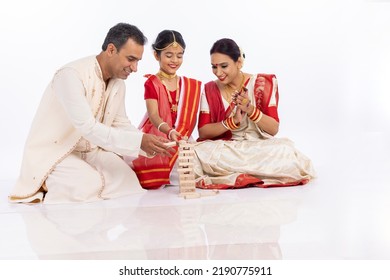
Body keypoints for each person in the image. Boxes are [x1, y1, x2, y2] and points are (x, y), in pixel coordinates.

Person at [9, 23, 173, 204]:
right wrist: (139, 142)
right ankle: (45, 180)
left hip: (91, 151)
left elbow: (120, 123)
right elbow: (87, 127)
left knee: (128, 181)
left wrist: (148, 142)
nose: (135, 68)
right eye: (130, 59)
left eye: (137, 62)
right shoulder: (71, 75)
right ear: (111, 50)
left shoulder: (118, 83)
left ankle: (72, 181)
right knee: (87, 185)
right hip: (57, 151)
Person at [193, 38, 315, 189]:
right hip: (228, 149)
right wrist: (232, 121)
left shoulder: (262, 83)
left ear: (238, 62)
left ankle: (232, 173)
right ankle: (254, 173)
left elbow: (273, 129)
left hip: (259, 148)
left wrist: (250, 110)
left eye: (224, 66)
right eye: (214, 67)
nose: (218, 72)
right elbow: (204, 132)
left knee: (286, 152)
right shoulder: (209, 89)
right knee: (195, 152)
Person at [129, 30, 202, 189]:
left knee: (198, 167)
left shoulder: (188, 85)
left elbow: (191, 118)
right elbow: (154, 115)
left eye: (179, 55)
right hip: (159, 136)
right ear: (156, 55)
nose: (175, 60)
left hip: (181, 137)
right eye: (169, 55)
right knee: (155, 173)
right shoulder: (152, 83)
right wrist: (169, 132)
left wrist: (182, 136)